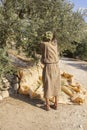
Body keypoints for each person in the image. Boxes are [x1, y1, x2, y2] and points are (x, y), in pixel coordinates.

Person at [41, 31, 61, 111]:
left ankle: (47, 106)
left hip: (48, 66)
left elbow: (41, 47)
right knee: (56, 84)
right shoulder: (55, 44)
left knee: (47, 84)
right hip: (56, 66)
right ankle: (56, 104)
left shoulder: (44, 44)